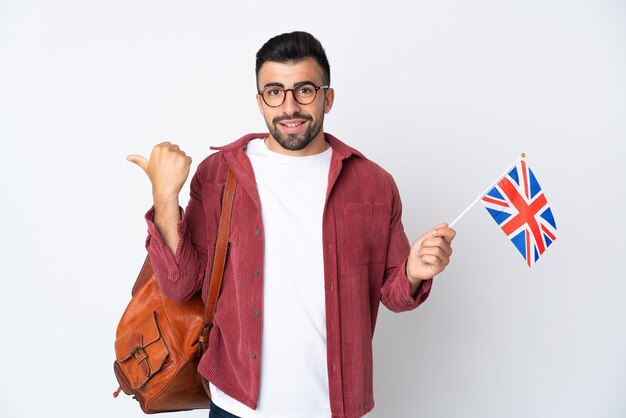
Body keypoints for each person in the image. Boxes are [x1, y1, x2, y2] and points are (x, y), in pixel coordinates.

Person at [127, 31, 456, 418]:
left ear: (327, 98)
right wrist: (165, 198)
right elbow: (180, 285)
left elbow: (396, 295)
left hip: (335, 407)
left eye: (304, 90)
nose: (289, 106)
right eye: (274, 92)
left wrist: (415, 272)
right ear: (259, 101)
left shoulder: (373, 184)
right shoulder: (220, 174)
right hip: (236, 405)